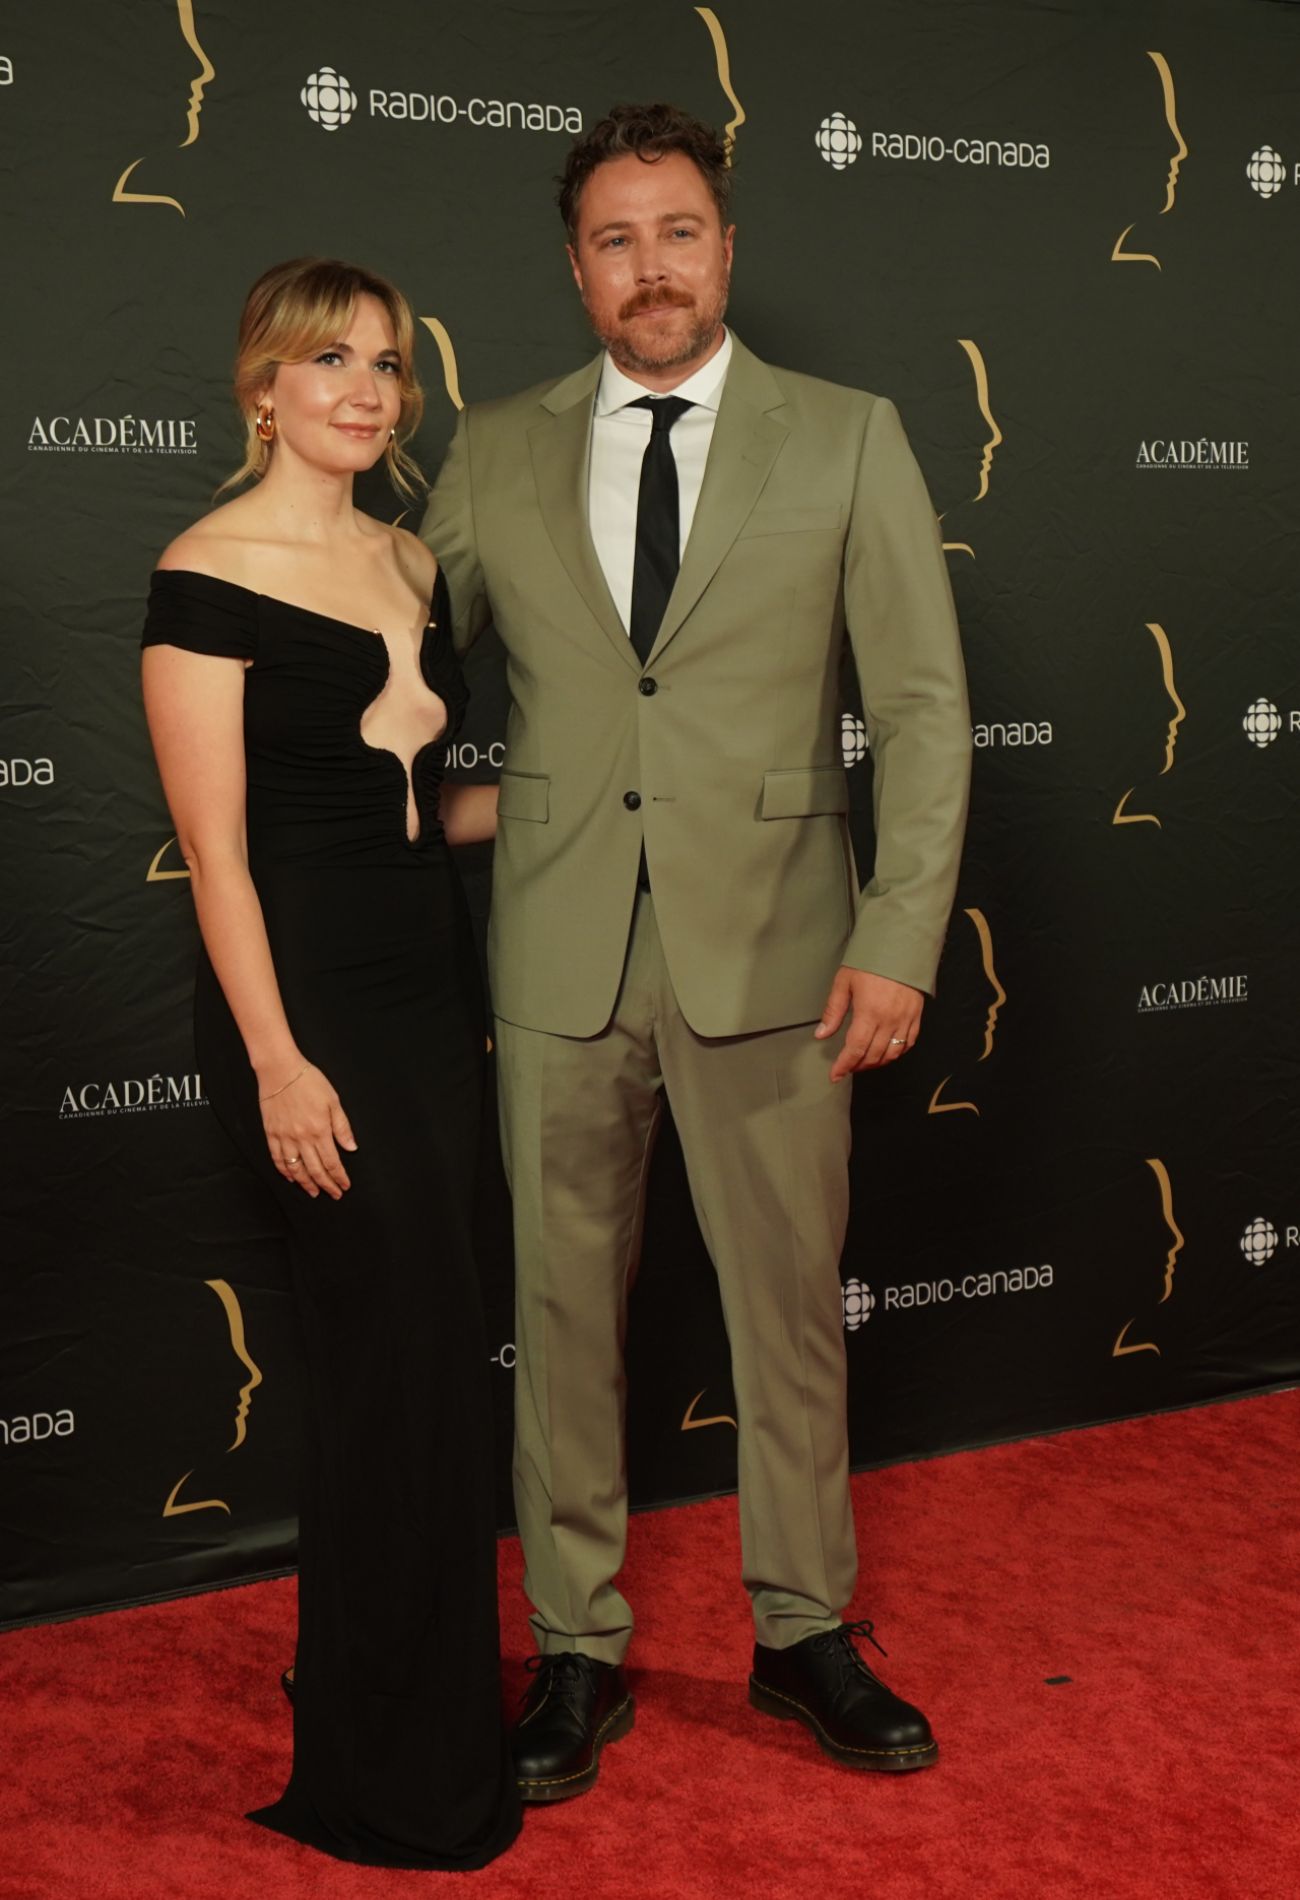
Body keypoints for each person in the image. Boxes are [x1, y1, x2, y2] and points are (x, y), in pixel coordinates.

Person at [421, 103, 971, 1799]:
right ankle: (575, 1647)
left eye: (676, 233)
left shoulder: (850, 437)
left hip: (785, 954)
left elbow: (922, 708)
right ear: (575, 268)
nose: (648, 268)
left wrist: (899, 937)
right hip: (558, 951)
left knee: (790, 1312)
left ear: (726, 249)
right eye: (615, 240)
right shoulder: (493, 450)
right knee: (558, 1314)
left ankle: (804, 1628)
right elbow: (399, 670)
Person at [141, 256, 521, 1869]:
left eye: (385, 364)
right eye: (329, 361)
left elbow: (430, 815)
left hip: (433, 995)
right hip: (307, 1012)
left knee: (429, 1372)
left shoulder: (411, 559)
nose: (365, 390)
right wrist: (280, 1065)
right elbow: (217, 858)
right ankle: (385, 1766)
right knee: (386, 1373)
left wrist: (617, 786)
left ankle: (414, 1715)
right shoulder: (205, 572)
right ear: (263, 390)